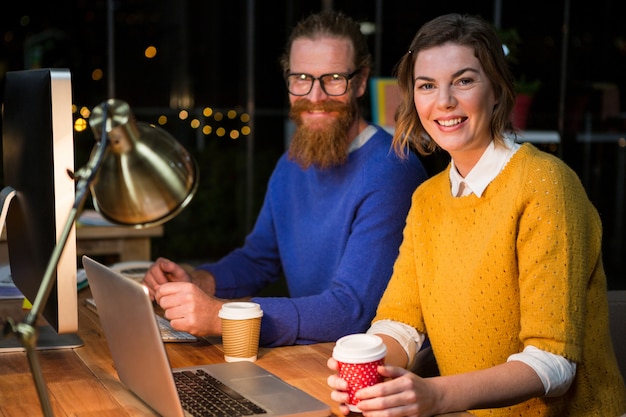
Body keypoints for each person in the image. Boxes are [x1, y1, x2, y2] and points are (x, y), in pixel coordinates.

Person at [327, 13, 626, 416]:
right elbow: (400, 322)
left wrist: (435, 395)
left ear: (498, 92)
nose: (444, 100)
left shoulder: (545, 183)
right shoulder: (427, 199)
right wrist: (369, 367)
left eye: (464, 80)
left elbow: (554, 361)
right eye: (427, 85)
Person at [142, 10, 428, 348]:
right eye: (301, 78)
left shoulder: (392, 170)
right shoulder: (292, 163)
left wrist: (222, 316)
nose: (315, 95)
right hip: (309, 357)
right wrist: (202, 280)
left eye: (333, 78)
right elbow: (258, 258)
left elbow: (351, 311)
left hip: (368, 375)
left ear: (361, 80)